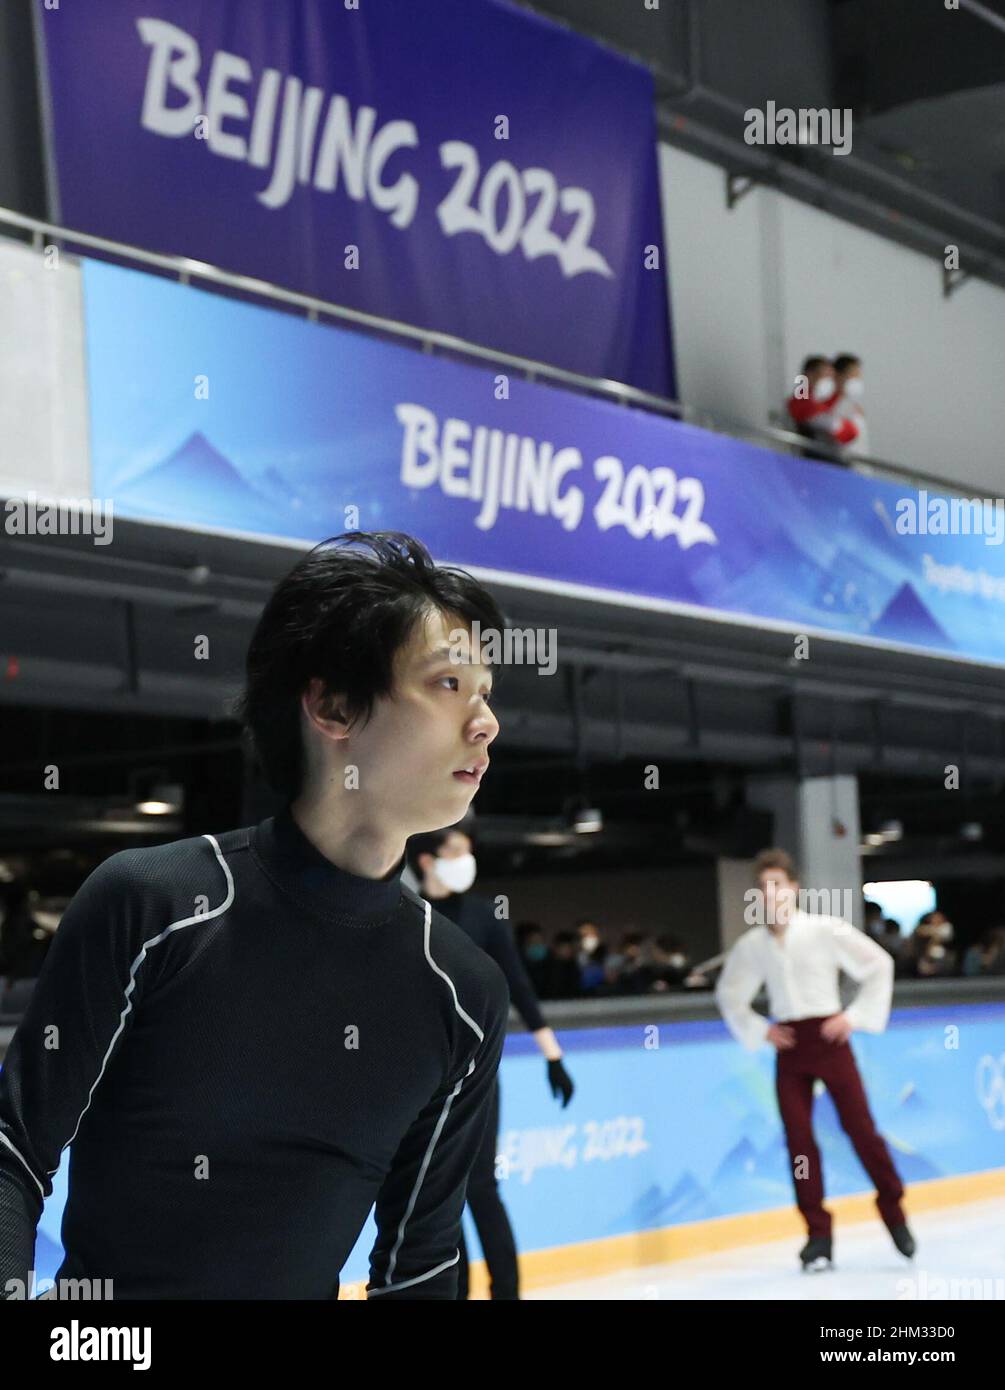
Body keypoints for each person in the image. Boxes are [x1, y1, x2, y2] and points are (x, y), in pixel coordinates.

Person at [0, 531, 511, 1301]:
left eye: (486, 693)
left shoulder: (463, 993)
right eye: (448, 685)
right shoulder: (152, 906)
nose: (485, 722)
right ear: (332, 707)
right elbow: (14, 1149)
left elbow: (422, 1260)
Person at [715, 847, 915, 1272]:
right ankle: (818, 1233)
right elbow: (730, 994)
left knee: (860, 1129)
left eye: (778, 885)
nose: (771, 894)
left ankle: (893, 1208)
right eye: (764, 887)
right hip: (791, 1047)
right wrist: (760, 1029)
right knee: (799, 1141)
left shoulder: (824, 930)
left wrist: (854, 1016)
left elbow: (878, 965)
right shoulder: (754, 945)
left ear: (794, 888)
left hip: (829, 1038)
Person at [409, 826, 574, 1301]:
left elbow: (519, 987)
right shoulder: (407, 914)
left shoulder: (483, 917)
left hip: (477, 1073)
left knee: (481, 1186)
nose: (468, 858)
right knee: (438, 1196)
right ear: (427, 860)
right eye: (457, 850)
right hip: (421, 1075)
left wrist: (553, 1055)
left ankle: (507, 1293)